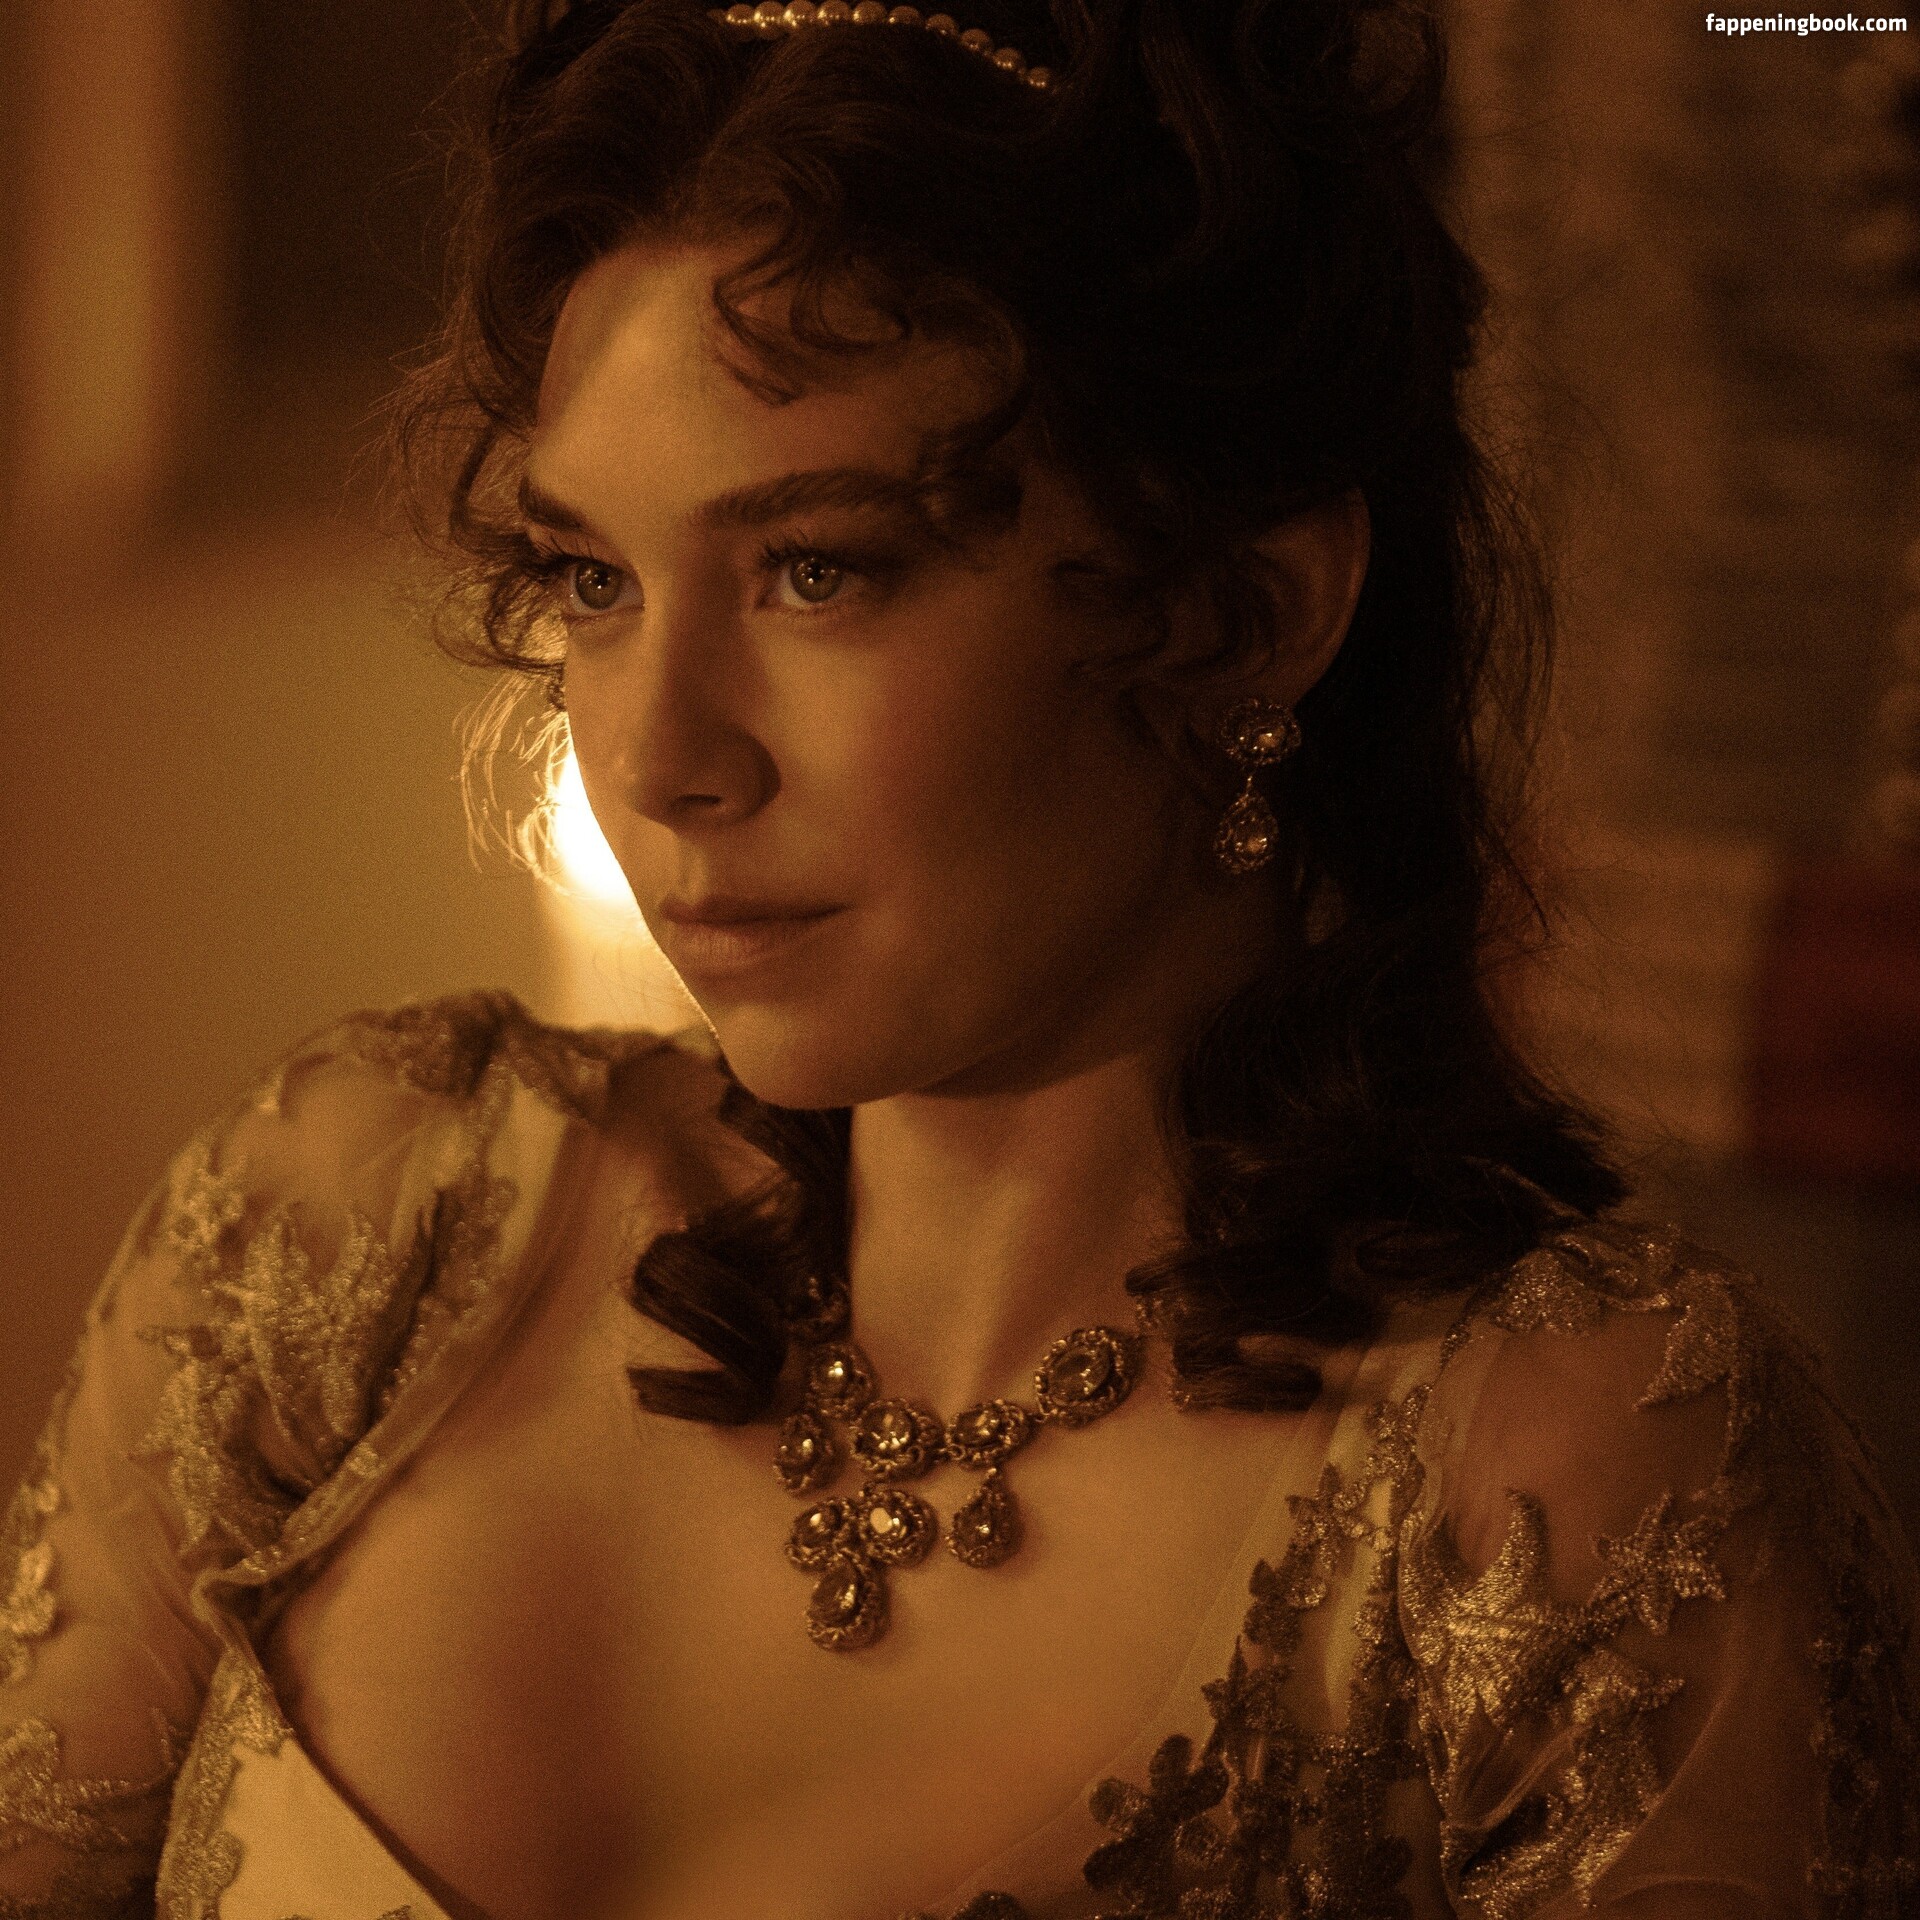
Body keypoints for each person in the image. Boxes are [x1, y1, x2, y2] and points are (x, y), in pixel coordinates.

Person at [3, 1, 1915, 1914]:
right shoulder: (356, 1236)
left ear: (1244, 609)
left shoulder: (1567, 1479)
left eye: (818, 569)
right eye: (597, 581)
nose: (659, 759)